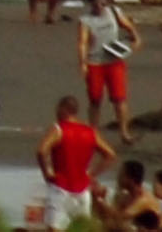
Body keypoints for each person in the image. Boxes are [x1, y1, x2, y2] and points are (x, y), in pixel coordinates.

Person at [37, 94, 114, 230]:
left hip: (60, 187)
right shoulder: (90, 131)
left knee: (54, 228)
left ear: (63, 109)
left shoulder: (59, 129)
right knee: (81, 228)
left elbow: (42, 151)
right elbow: (109, 154)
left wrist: (47, 172)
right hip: (82, 189)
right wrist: (91, 174)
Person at [79, 0, 139, 143]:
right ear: (91, 3)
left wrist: (135, 37)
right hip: (95, 62)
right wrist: (83, 63)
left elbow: (128, 26)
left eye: (102, 2)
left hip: (114, 60)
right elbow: (83, 43)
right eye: (96, 3)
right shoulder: (86, 20)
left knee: (119, 98)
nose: (99, 6)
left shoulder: (114, 12)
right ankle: (93, 132)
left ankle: (124, 132)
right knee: (95, 99)